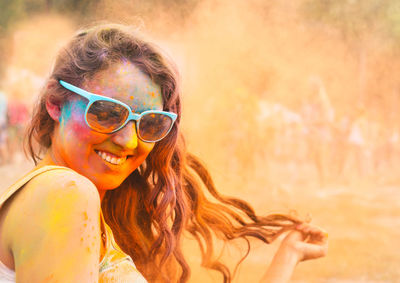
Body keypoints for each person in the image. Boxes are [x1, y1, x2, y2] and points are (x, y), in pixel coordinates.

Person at [0, 24, 328, 282]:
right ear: (55, 104)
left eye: (151, 123)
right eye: (106, 113)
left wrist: (288, 256)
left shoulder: (66, 203)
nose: (129, 141)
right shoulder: (65, 194)